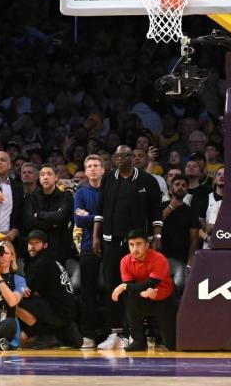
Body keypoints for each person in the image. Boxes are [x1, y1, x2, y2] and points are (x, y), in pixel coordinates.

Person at [95, 145, 163, 350]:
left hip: (137, 246)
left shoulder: (147, 180)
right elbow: (100, 210)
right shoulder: (108, 178)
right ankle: (115, 333)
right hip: (111, 242)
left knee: (135, 288)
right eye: (116, 155)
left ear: (133, 158)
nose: (120, 158)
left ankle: (135, 334)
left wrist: (157, 236)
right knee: (112, 287)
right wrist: (97, 236)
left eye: (125, 155)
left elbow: (156, 212)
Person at [110, 230, 176, 352]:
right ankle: (138, 341)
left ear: (147, 245)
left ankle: (167, 341)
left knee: (172, 345)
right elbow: (131, 286)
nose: (135, 249)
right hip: (143, 297)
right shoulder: (125, 261)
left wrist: (123, 287)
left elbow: (151, 283)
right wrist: (142, 293)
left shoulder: (159, 259)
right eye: (131, 245)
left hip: (164, 298)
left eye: (139, 244)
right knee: (131, 299)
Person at [74, 154, 103, 348]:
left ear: (102, 170)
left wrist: (90, 216)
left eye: (96, 165)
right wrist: (100, 217)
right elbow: (78, 220)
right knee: (88, 294)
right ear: (86, 171)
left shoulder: (110, 190)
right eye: (89, 166)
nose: (92, 169)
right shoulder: (81, 193)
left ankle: (116, 333)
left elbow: (114, 217)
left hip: (109, 246)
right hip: (86, 247)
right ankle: (89, 335)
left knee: (113, 290)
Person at [23, 164, 74, 262]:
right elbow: (28, 222)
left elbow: (61, 217)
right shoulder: (31, 197)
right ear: (39, 178)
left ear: (56, 178)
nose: (45, 177)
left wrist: (39, 214)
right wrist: (52, 225)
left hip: (59, 246)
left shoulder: (66, 196)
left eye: (49, 174)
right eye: (42, 174)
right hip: (36, 247)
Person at [161, 174, 201, 265]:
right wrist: (171, 207)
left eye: (184, 186)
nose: (180, 187)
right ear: (171, 188)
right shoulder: (161, 205)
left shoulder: (191, 211)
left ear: (187, 190)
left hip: (181, 258)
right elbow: (157, 223)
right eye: (177, 184)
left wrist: (191, 257)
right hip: (160, 254)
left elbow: (194, 239)